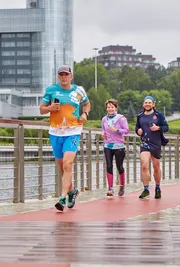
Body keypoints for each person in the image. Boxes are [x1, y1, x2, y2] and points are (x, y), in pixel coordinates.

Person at [39, 65, 91, 211]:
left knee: (68, 164)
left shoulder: (78, 90)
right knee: (62, 167)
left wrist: (85, 114)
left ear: (71, 76)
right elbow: (41, 109)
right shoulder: (51, 90)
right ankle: (72, 191)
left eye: (66, 74)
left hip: (73, 131)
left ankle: (62, 198)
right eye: (61, 75)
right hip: (55, 132)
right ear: (58, 77)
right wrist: (49, 108)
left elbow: (87, 104)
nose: (63, 77)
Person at [135, 96, 169, 199]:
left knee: (156, 167)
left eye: (150, 103)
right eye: (146, 102)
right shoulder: (140, 116)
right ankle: (146, 189)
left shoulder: (159, 115)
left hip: (156, 143)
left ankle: (157, 188)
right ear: (143, 104)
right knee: (144, 165)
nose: (147, 104)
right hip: (145, 143)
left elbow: (166, 127)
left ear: (153, 104)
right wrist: (138, 131)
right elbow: (137, 127)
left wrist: (158, 128)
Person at [101, 99, 129, 197]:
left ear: (116, 108)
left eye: (112, 107)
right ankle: (110, 188)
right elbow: (103, 129)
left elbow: (126, 130)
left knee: (119, 166)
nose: (110, 109)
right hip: (107, 145)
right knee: (109, 166)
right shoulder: (104, 119)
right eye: (108, 107)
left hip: (119, 146)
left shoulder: (121, 118)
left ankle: (122, 185)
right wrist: (103, 134)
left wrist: (116, 130)